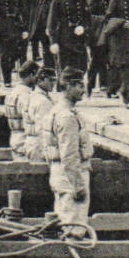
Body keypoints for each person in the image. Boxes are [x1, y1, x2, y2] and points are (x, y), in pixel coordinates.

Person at [47, 69, 94, 232]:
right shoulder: (67, 117)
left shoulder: (57, 110)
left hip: (60, 173)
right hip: (71, 177)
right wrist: (78, 186)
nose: (83, 90)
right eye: (79, 85)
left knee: (64, 222)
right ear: (67, 87)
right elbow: (69, 155)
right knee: (74, 228)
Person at [45, 0, 91, 86]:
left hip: (79, 39)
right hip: (63, 38)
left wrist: (83, 27)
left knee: (82, 66)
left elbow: (88, 19)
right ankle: (64, 89)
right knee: (65, 68)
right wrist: (53, 42)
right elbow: (51, 23)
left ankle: (75, 87)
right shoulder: (58, 0)